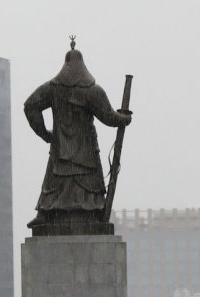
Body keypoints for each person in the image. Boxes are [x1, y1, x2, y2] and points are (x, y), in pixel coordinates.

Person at [24, 44, 132, 232]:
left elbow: (30, 106)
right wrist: (124, 118)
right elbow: (108, 116)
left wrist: (45, 134)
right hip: (85, 151)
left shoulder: (53, 88)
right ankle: (80, 213)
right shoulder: (91, 90)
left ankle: (48, 212)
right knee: (79, 184)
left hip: (61, 150)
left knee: (56, 181)